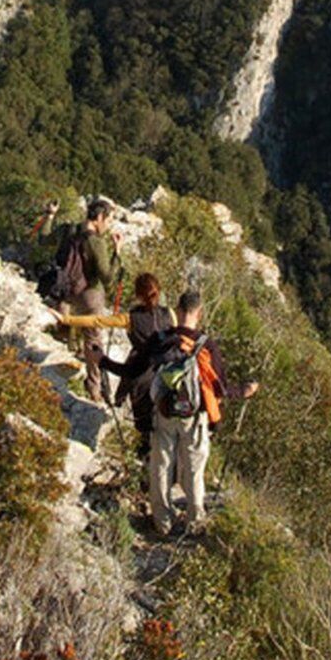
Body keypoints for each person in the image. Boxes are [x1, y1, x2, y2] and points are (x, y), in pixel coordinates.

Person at [147, 290, 258, 537]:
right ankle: (194, 521)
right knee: (195, 467)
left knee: (161, 464)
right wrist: (245, 391)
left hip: (164, 410)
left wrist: (102, 361)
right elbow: (221, 386)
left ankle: (162, 521)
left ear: (177, 310)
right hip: (194, 416)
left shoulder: (162, 339)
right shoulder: (205, 345)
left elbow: (139, 368)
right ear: (200, 313)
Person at [59, 271, 175, 454]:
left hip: (142, 379)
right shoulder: (169, 314)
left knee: (145, 431)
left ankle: (145, 467)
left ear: (137, 295)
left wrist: (67, 319)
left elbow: (98, 320)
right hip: (168, 378)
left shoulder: (130, 318)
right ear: (158, 291)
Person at [58, 199, 123, 402]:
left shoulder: (72, 231)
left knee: (72, 329)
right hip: (90, 294)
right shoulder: (96, 241)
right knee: (94, 341)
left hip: (68, 293)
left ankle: (70, 350)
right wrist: (117, 253)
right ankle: (94, 388)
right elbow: (107, 276)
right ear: (99, 218)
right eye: (109, 219)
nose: (109, 224)